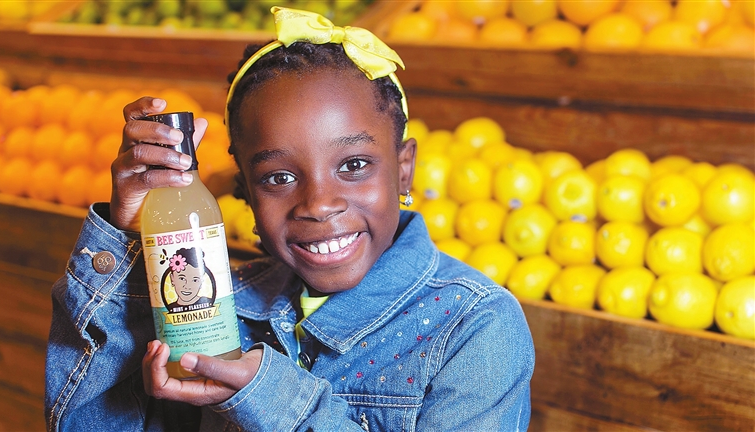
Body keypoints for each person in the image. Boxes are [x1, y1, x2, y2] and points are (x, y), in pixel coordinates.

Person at [45, 7, 534, 431]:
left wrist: (268, 398)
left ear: (404, 169)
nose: (318, 204)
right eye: (278, 177)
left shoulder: (475, 327)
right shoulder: (218, 311)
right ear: (245, 191)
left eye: (353, 165)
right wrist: (128, 244)